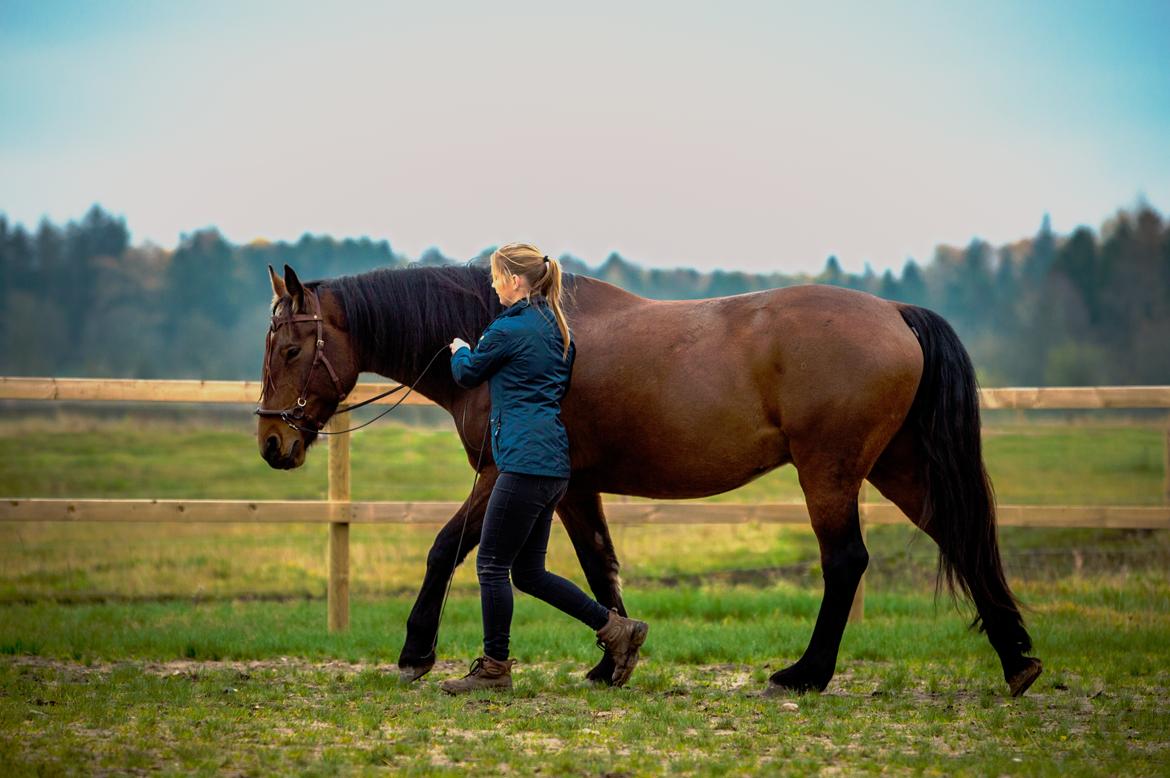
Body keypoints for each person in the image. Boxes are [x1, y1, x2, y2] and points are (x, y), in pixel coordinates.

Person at [440, 242, 648, 694]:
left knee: (492, 566)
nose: (493, 285)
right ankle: (617, 630)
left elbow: (468, 374)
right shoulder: (557, 328)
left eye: (497, 276)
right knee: (528, 573)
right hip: (555, 467)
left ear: (515, 280)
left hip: (523, 465)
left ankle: (494, 670)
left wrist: (459, 349)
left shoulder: (507, 328)